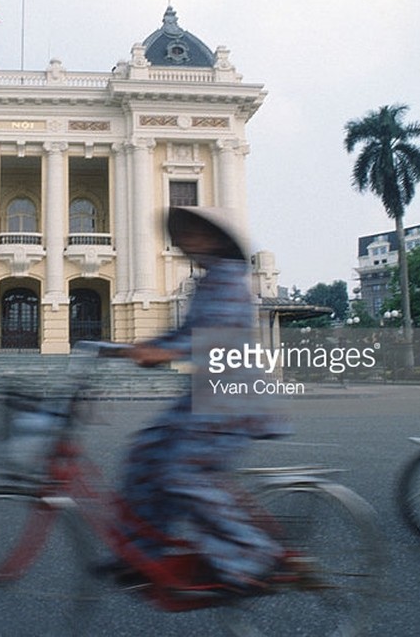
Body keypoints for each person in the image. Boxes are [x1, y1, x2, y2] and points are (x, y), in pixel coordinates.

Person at [118, 206, 292, 592]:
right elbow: (181, 334)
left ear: (215, 239)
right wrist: (139, 348)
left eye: (195, 234)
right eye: (184, 235)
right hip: (204, 396)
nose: (185, 242)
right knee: (144, 450)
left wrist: (165, 353)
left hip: (233, 399)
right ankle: (144, 550)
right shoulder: (206, 282)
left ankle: (252, 553)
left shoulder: (231, 281)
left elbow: (218, 336)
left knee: (183, 473)